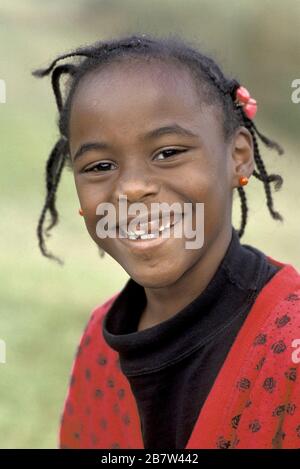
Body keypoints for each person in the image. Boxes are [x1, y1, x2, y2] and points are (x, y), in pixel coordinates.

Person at [32, 33, 300, 449]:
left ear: (238, 156)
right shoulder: (100, 346)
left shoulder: (290, 348)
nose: (133, 188)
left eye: (169, 152)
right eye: (100, 165)